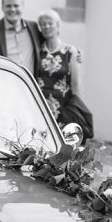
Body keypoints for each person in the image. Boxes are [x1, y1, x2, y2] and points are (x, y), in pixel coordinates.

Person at [35, 9, 91, 139]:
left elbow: (76, 84)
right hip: (41, 107)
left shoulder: (70, 51)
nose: (46, 26)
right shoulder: (37, 50)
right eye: (42, 24)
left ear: (58, 25)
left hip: (64, 108)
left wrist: (78, 111)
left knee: (63, 148)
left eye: (50, 23)